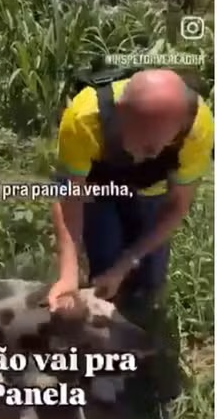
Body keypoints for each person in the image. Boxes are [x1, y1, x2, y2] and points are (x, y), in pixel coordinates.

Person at [48, 68, 214, 310]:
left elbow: (177, 205)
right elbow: (68, 194)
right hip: (97, 188)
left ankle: (142, 317)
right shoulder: (83, 119)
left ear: (178, 128)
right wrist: (68, 273)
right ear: (119, 117)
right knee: (104, 259)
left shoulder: (197, 129)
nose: (149, 154)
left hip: (152, 192)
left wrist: (127, 263)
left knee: (149, 278)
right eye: (141, 143)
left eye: (156, 146)